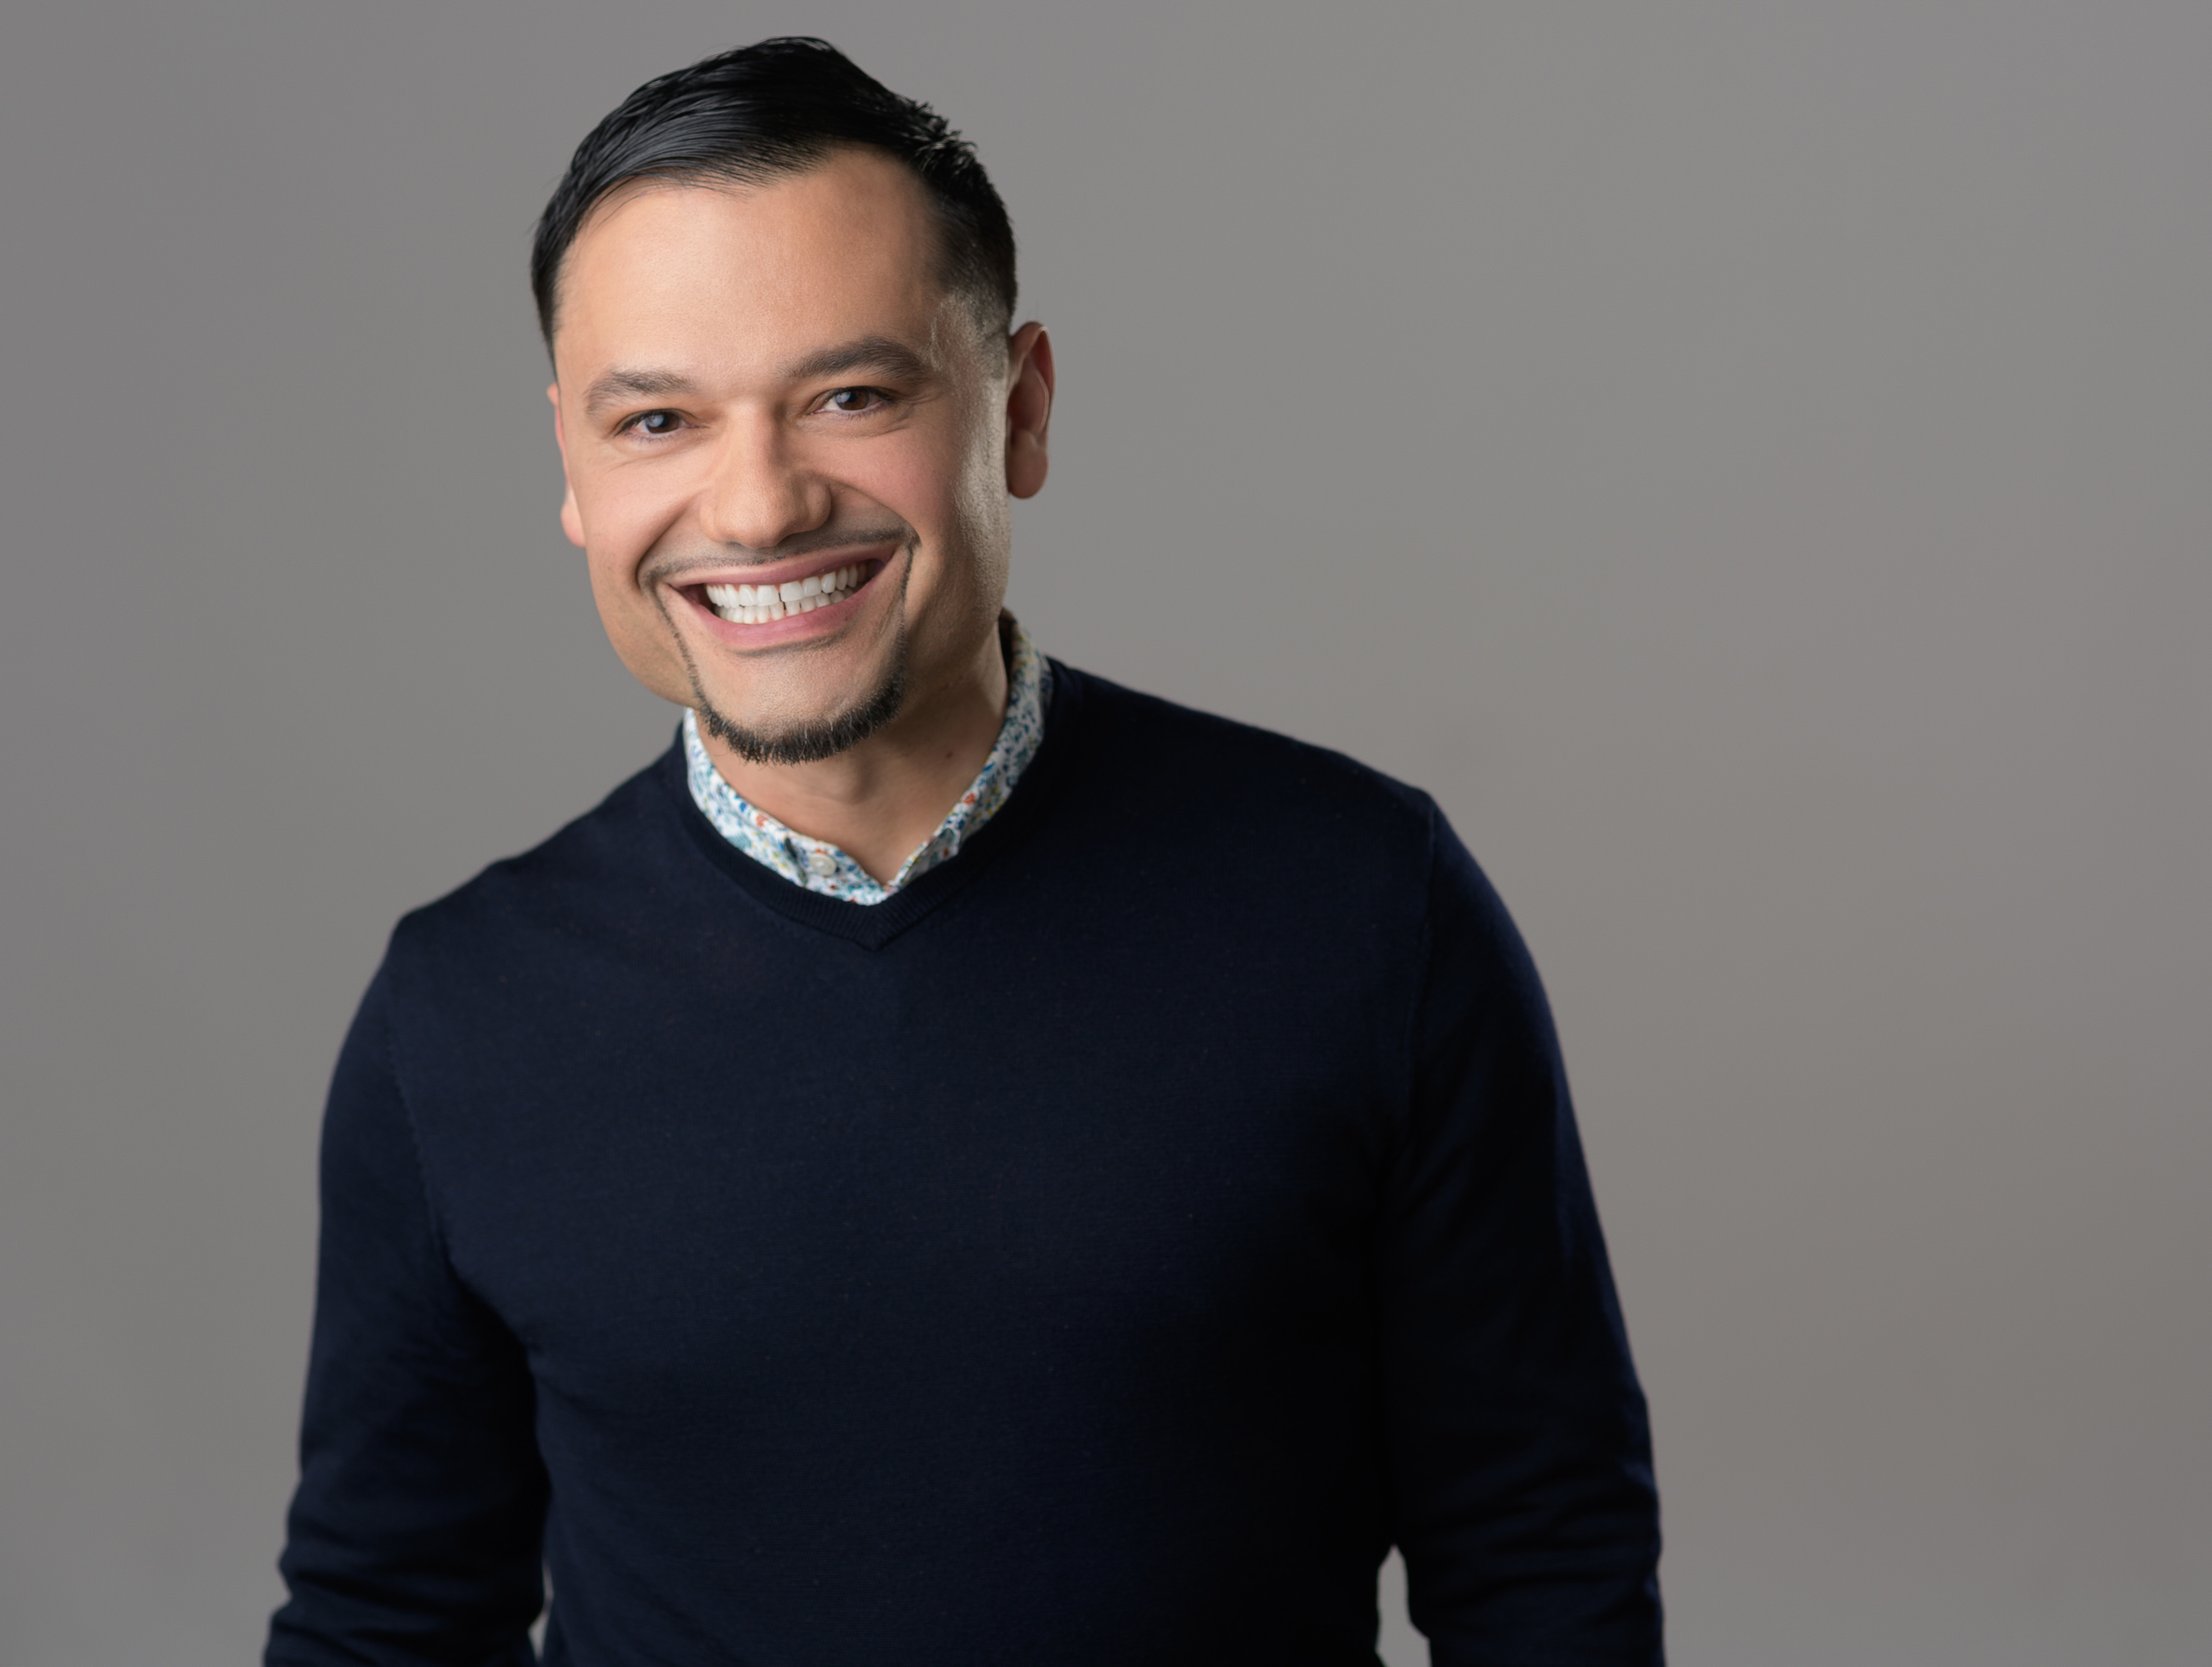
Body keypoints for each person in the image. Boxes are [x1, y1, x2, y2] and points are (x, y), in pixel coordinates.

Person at [264, 35, 1663, 1667]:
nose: (759, 506)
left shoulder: (1362, 907)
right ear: (572, 466)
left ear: (1023, 408)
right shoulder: (458, 1018)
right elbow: (384, 1627)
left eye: (851, 398)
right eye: (656, 419)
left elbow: (1545, 1560)